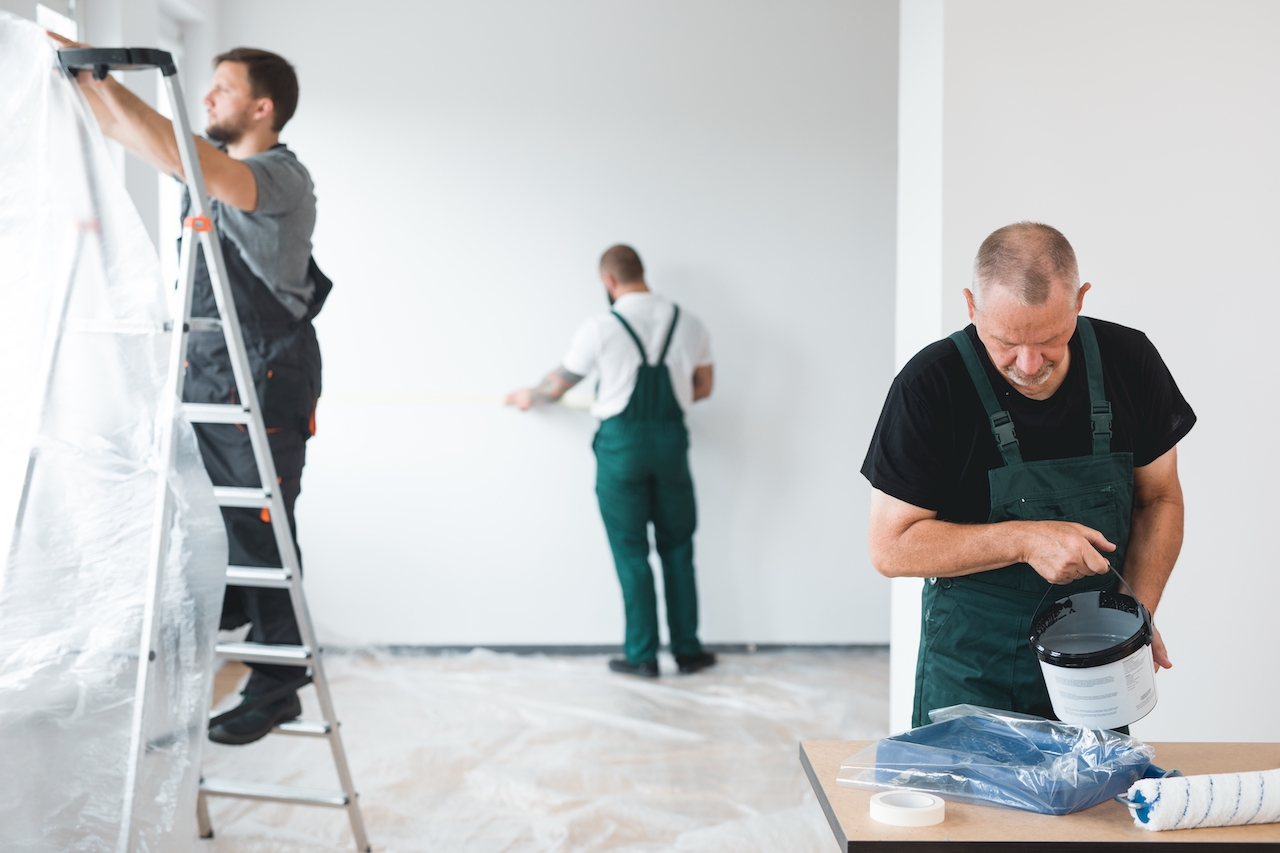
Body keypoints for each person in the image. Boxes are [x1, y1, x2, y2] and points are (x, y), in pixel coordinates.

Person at [57, 38, 329, 744]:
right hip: (208, 363)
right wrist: (78, 73)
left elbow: (188, 158)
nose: (206, 99)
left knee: (259, 525)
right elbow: (124, 130)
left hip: (264, 372)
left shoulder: (277, 177)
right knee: (199, 522)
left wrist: (104, 74)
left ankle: (280, 681)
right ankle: (219, 647)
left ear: (261, 109)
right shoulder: (206, 172)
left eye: (222, 88)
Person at [862, 222, 1195, 727]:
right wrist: (1022, 540)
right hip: (974, 664)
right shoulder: (930, 386)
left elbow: (1160, 499)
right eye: (1005, 342)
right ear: (972, 306)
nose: (1029, 363)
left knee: (1092, 805)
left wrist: (1133, 620)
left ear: (1080, 300)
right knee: (970, 807)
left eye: (1050, 339)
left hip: (1096, 661)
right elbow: (890, 547)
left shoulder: (1131, 361)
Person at [506, 245, 718, 677]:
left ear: (609, 280)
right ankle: (688, 651)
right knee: (678, 548)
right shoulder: (691, 323)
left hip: (621, 450)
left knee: (631, 551)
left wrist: (531, 395)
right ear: (641, 272)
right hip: (671, 443)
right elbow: (703, 387)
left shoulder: (601, 327)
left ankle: (641, 657)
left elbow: (560, 383)